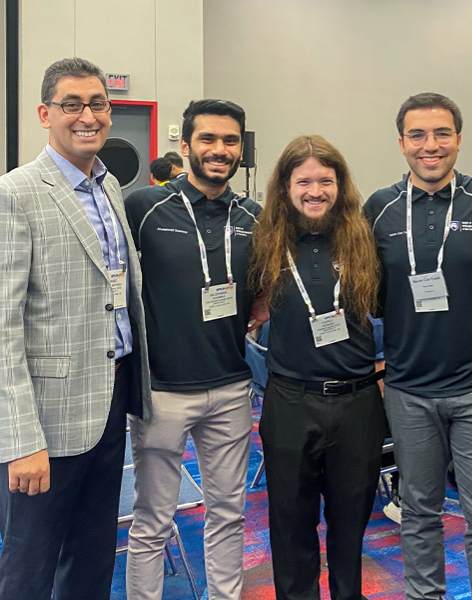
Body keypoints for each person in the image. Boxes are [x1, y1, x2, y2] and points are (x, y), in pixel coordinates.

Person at [0, 57, 150, 600]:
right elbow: (3, 331)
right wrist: (19, 442)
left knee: (91, 558)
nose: (88, 116)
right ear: (45, 113)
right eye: (72, 105)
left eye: (98, 104)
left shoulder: (108, 188)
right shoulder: (15, 194)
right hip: (45, 422)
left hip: (109, 401)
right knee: (30, 565)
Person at [364, 92, 472, 600]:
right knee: (418, 515)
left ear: (458, 138)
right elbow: (376, 293)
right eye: (418, 135)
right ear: (402, 142)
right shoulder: (379, 208)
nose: (431, 146)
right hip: (409, 390)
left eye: (442, 134)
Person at [124, 99, 263, 600]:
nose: (219, 150)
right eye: (207, 139)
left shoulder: (254, 214)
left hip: (230, 386)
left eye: (230, 141)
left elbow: (266, 280)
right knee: (153, 521)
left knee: (228, 514)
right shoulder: (142, 207)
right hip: (162, 390)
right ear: (185, 146)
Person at [249, 135, 387, 600]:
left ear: (340, 184)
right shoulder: (263, 241)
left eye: (325, 181)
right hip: (290, 401)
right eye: (303, 180)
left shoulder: (366, 237)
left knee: (351, 525)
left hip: (358, 404)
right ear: (285, 187)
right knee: (290, 525)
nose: (314, 191)